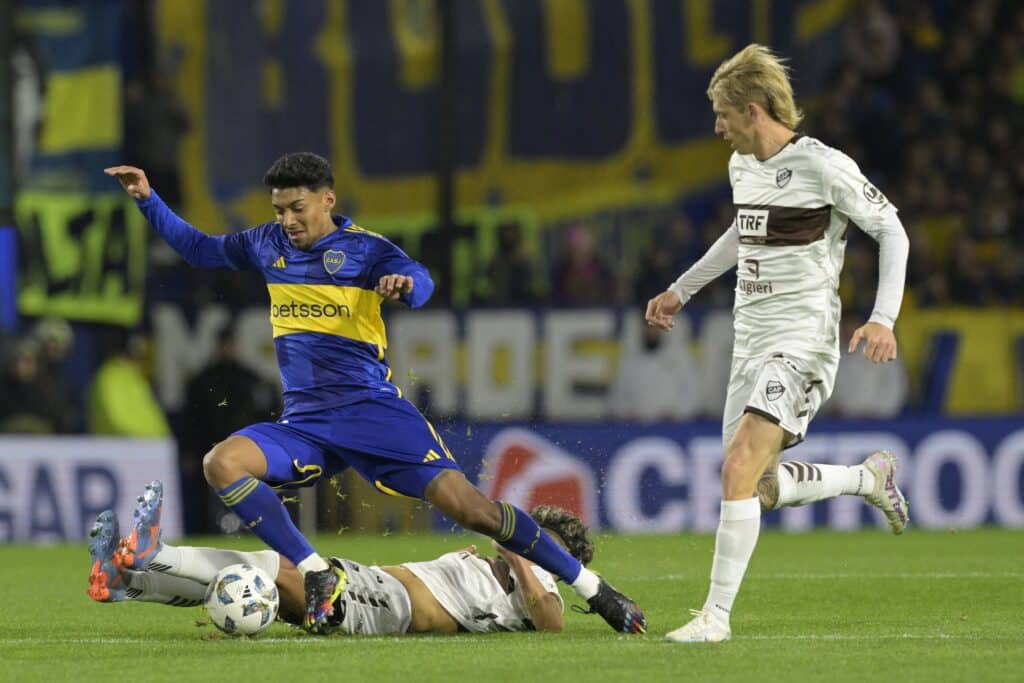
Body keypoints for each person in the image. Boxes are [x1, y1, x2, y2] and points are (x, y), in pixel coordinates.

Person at [105, 153, 644, 635]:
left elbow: (421, 278)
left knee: (475, 511)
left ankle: (594, 590)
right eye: (278, 210)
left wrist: (406, 288)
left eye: (297, 208)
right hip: (306, 423)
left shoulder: (364, 250)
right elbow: (200, 250)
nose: (287, 222)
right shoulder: (266, 244)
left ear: (327, 200)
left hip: (374, 414)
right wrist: (148, 200)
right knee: (221, 463)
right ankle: (317, 573)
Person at [645, 45, 911, 643]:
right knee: (756, 486)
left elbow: (891, 229)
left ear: (753, 109)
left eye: (722, 114)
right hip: (750, 342)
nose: (716, 127)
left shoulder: (823, 166)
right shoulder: (744, 168)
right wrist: (680, 291)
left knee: (737, 467)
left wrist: (884, 317)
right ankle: (868, 480)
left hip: (802, 341)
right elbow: (743, 234)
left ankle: (714, 618)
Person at [88, 481, 591, 635]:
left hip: (387, 609)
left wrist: (520, 555)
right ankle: (132, 581)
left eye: (537, 540)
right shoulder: (492, 573)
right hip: (372, 586)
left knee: (277, 570)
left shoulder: (541, 592)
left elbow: (552, 624)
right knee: (264, 574)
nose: (526, 540)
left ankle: (156, 554)